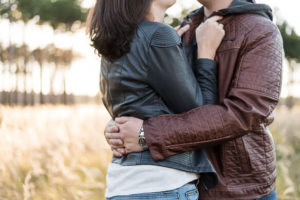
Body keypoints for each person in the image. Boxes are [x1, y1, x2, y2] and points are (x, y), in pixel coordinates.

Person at [104, 0, 283, 199]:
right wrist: (118, 127)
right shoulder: (184, 28)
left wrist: (148, 134)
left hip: (240, 189)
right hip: (186, 186)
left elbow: (244, 113)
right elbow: (158, 96)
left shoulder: (259, 30)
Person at [89, 0, 226, 199]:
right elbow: (202, 114)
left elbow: (136, 102)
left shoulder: (115, 41)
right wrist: (206, 53)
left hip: (122, 184)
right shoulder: (158, 35)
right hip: (163, 184)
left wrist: (176, 51)